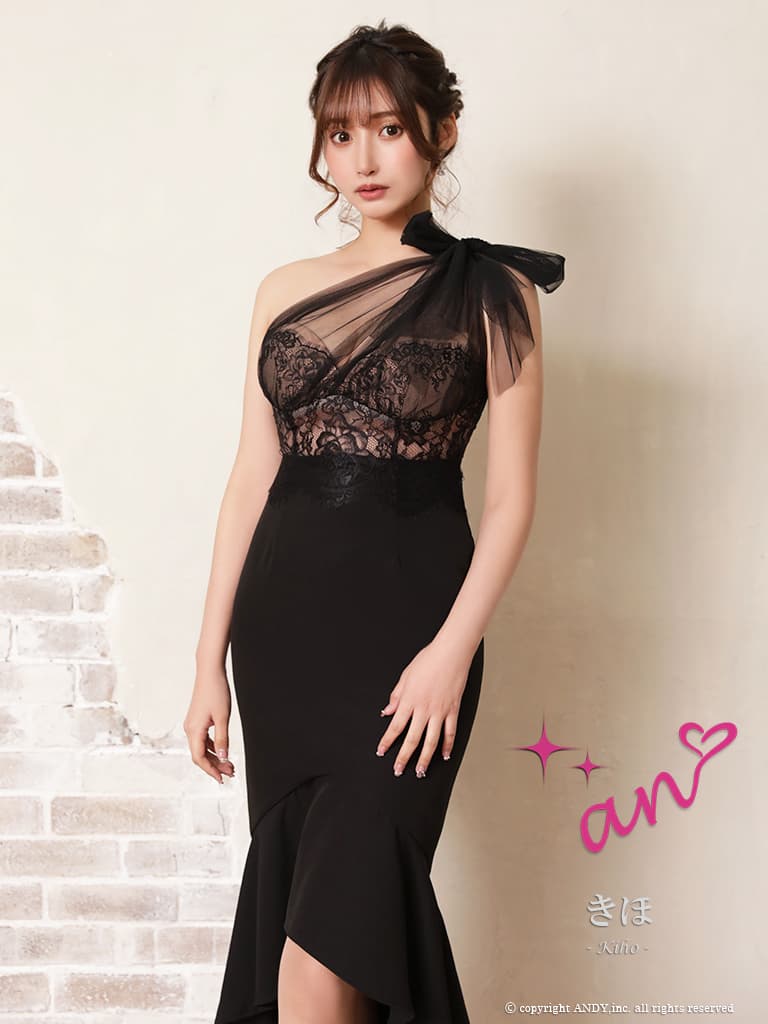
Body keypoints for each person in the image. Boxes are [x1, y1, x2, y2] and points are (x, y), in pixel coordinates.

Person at [183, 19, 565, 1024]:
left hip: (411, 630)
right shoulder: (282, 290)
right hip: (283, 640)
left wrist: (450, 653)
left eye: (389, 129)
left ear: (440, 132)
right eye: (340, 133)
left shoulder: (494, 290)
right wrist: (207, 662)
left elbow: (512, 500)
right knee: (306, 936)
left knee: (329, 950)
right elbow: (250, 477)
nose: (362, 158)